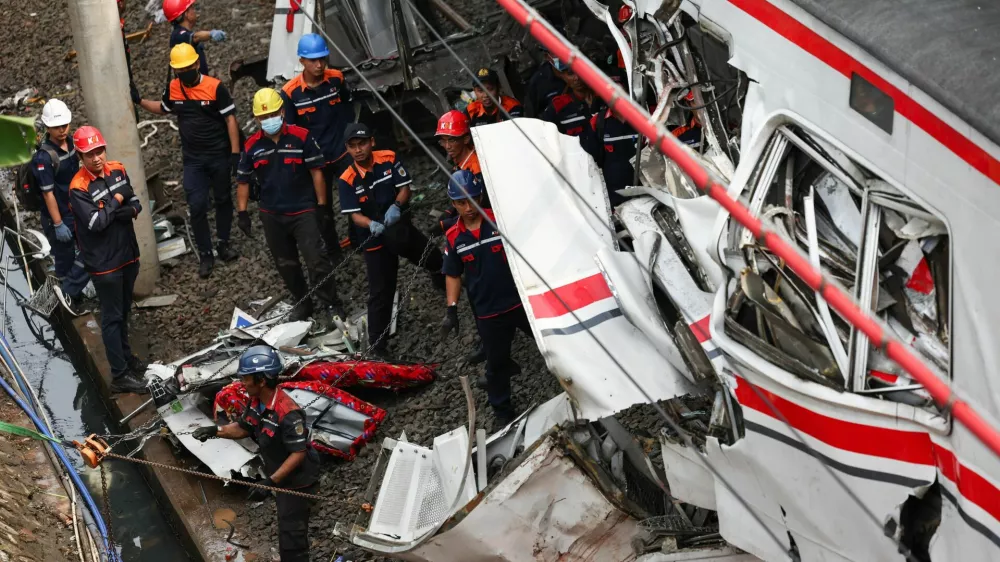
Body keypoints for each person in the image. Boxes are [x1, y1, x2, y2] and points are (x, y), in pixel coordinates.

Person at [191, 345, 319, 562]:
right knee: (286, 527)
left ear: (262, 380)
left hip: (296, 483)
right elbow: (244, 427)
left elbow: (298, 454)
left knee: (292, 537)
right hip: (279, 478)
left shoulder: (288, 413)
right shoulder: (257, 402)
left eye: (246, 378)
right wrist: (215, 431)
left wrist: (270, 482)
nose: (242, 382)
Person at [236, 88, 345, 330]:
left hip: (303, 211)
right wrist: (242, 213)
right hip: (272, 215)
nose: (268, 120)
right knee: (286, 264)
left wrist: (322, 206)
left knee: (316, 260)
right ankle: (303, 301)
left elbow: (317, 172)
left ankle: (330, 304)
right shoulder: (252, 146)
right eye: (263, 117)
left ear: (283, 112)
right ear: (256, 119)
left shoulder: (302, 137)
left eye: (273, 114)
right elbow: (243, 180)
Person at [338, 123, 445, 356]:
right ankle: (378, 345)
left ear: (371, 142)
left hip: (397, 224)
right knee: (381, 291)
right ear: (347, 149)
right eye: (353, 146)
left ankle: (443, 278)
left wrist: (396, 206)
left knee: (428, 253)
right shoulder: (347, 179)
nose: (358, 150)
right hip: (373, 237)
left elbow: (405, 187)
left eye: (362, 144)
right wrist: (370, 224)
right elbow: (354, 215)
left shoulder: (388, 158)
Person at [137, 43, 240, 278]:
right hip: (193, 160)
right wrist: (140, 101)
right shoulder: (173, 88)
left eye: (187, 67)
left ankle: (223, 242)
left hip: (219, 155)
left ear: (196, 64)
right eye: (179, 70)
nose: (184, 73)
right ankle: (206, 253)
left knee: (223, 198)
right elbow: (163, 108)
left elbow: (231, 121)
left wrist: (235, 155)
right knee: (196, 205)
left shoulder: (215, 88)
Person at [440, 171, 529, 430]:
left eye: (471, 200)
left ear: (480, 196)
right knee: (496, 363)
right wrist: (452, 310)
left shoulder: (500, 220)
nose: (468, 208)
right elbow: (453, 274)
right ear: (453, 204)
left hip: (521, 303)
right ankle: (502, 411)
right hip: (488, 313)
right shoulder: (454, 237)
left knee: (552, 347)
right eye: (460, 202)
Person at [68, 126, 148, 395]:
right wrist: (116, 199)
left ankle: (125, 359)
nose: (96, 157)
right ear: (80, 156)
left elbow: (135, 205)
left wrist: (115, 208)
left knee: (124, 311)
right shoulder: (78, 187)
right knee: (112, 317)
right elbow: (96, 223)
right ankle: (120, 375)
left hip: (127, 255)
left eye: (99, 150)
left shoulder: (118, 168)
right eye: (89, 154)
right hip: (105, 266)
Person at [281, 33, 354, 257]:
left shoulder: (336, 79)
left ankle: (359, 237)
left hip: (341, 152)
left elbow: (348, 109)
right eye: (313, 60)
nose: (319, 65)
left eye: (323, 58)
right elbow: (291, 131)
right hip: (316, 160)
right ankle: (333, 250)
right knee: (323, 209)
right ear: (302, 61)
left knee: (356, 196)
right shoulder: (290, 93)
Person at [434, 110, 487, 365]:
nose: (447, 146)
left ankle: (489, 341)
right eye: (443, 140)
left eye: (451, 140)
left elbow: (479, 205)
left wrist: (450, 221)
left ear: (465, 138)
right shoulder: (462, 164)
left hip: (485, 233)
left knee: (480, 285)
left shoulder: (477, 166)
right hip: (471, 231)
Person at [32, 99, 90, 309]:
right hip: (59, 215)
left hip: (76, 209)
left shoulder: (72, 143)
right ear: (48, 127)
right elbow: (48, 194)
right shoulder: (44, 158)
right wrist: (58, 223)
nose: (62, 130)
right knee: (64, 260)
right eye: (57, 127)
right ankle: (71, 300)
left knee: (90, 248)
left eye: (64, 125)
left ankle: (69, 292)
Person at [582, 107, 640, 207]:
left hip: (645, 188)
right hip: (616, 194)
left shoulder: (643, 118)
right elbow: (592, 159)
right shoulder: (598, 122)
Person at [540, 63, 606, 137]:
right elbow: (542, 133)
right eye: (570, 73)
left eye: (580, 72)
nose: (577, 78)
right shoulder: (558, 105)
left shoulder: (605, 98)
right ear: (563, 77)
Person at [163, 0, 226, 77]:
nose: (194, 11)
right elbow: (196, 37)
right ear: (186, 14)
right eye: (191, 8)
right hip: (193, 87)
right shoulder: (178, 35)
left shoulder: (179, 33)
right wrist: (211, 33)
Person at [524, 49, 569, 118]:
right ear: (547, 56)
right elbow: (531, 114)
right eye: (556, 54)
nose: (561, 56)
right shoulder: (538, 82)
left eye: (563, 51)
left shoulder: (580, 71)